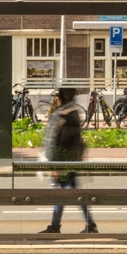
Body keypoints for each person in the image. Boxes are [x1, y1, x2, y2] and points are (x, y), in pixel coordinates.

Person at [40, 86, 96, 235]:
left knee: (65, 193)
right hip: (68, 161)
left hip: (63, 162)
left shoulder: (64, 116)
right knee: (68, 193)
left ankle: (58, 226)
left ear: (62, 98)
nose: (55, 99)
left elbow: (58, 142)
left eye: (57, 96)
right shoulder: (71, 113)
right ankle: (86, 225)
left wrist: (55, 165)